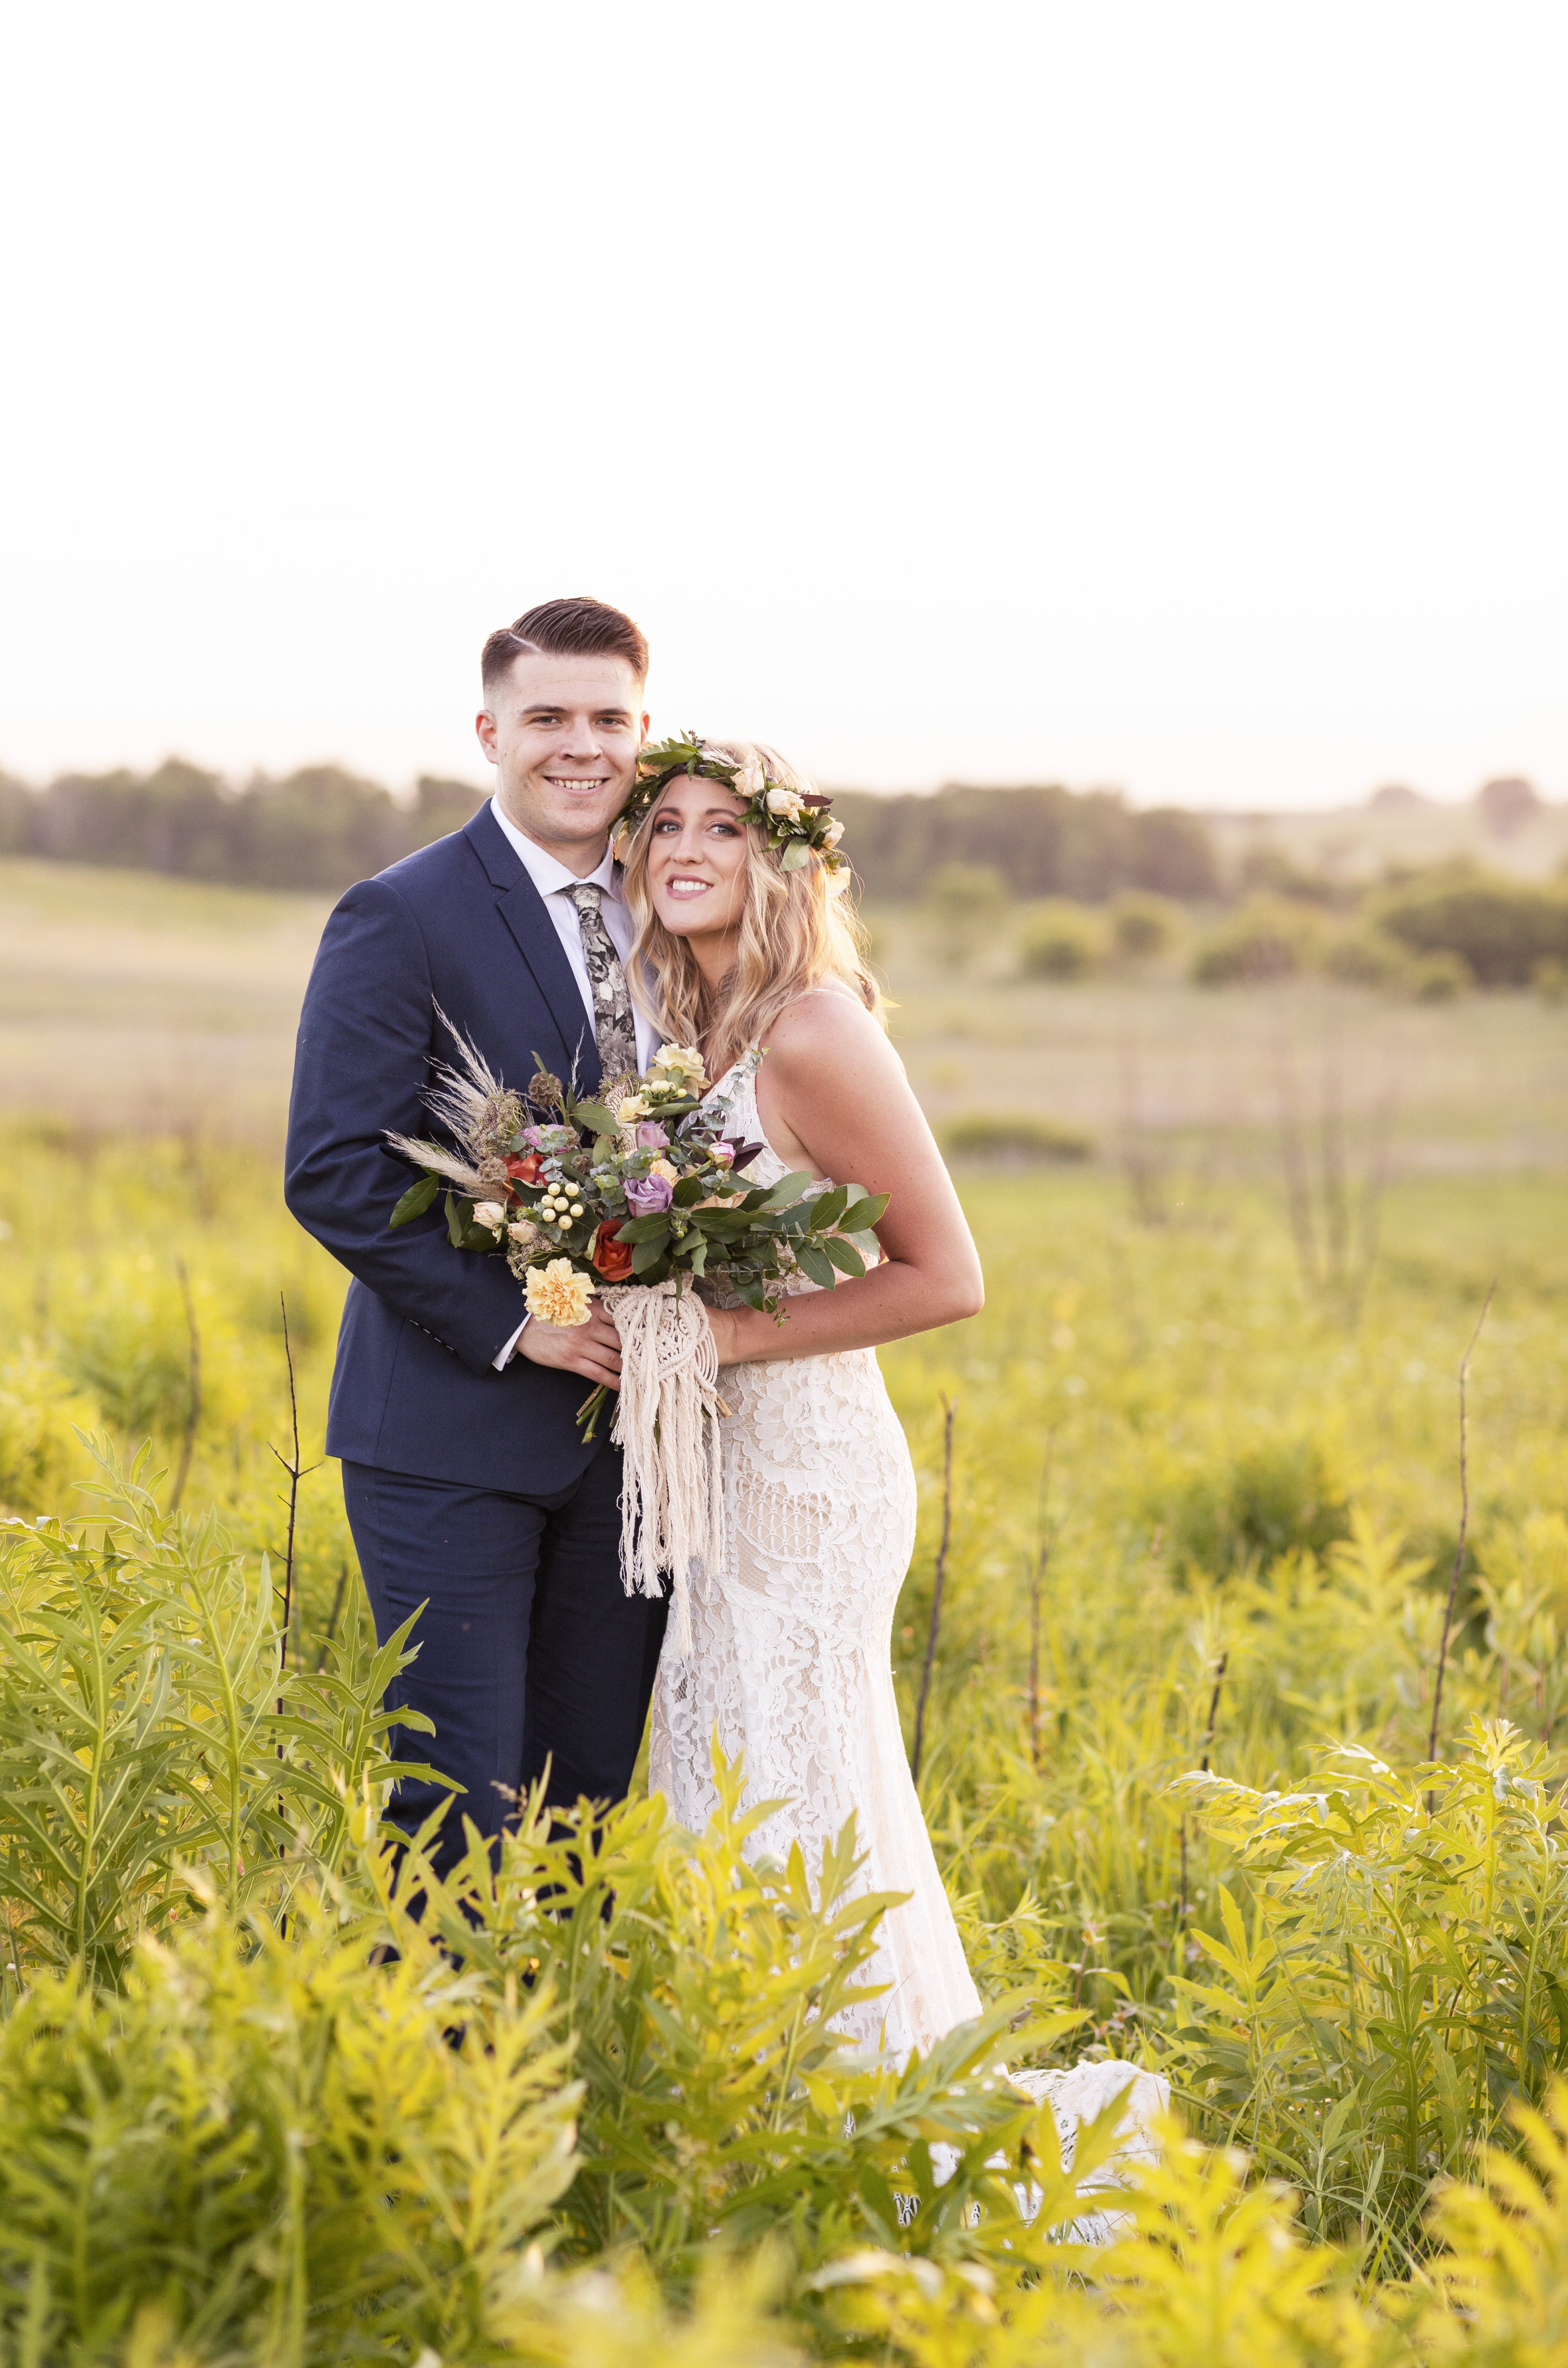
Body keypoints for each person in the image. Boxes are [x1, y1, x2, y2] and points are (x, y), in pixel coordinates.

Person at [620, 738, 1166, 2165]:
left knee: (798, 1790)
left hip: (805, 1477)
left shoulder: (811, 1028)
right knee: (723, 1784)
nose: (682, 847)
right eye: (662, 824)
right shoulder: (691, 1033)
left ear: (777, 858)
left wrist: (715, 1345)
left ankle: (861, 2136)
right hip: (713, 1477)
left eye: (720, 829)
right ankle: (756, 2119)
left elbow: (945, 1275)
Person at [284, 596, 666, 1875]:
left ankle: (552, 2071)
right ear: (490, 730)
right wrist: (523, 1326)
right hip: (449, 1437)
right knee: (455, 1807)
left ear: (643, 730)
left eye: (608, 717)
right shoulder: (403, 912)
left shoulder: (679, 907)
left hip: (637, 1447)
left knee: (586, 1807)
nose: (581, 745)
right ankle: (431, 2077)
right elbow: (334, 1169)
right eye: (547, 716)